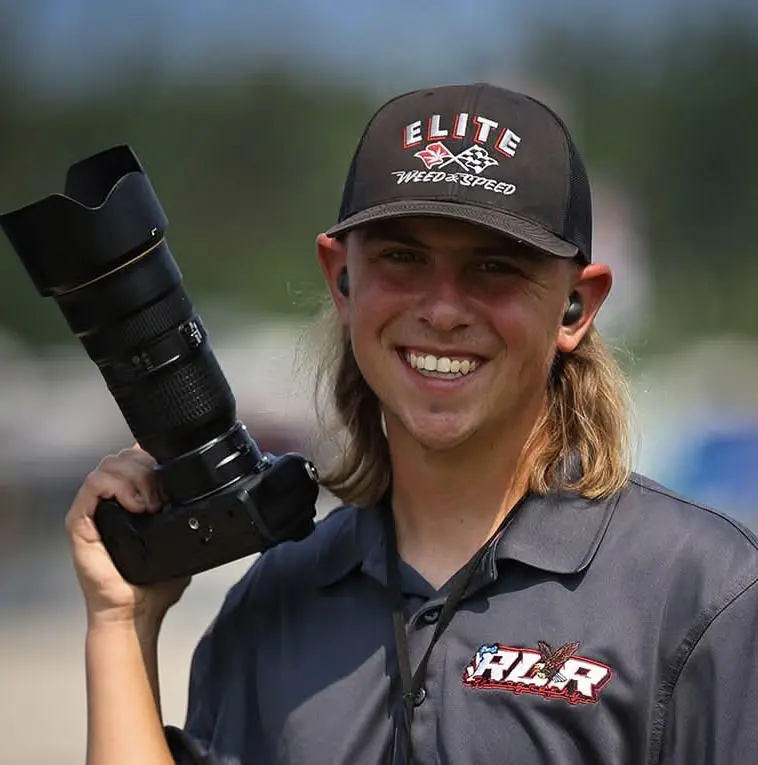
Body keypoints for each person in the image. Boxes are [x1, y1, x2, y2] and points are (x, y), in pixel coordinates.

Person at [66, 83, 758, 765]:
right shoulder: (274, 600)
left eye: (494, 267)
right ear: (342, 278)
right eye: (402, 258)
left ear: (576, 305)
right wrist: (121, 621)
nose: (443, 310)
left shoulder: (703, 592)